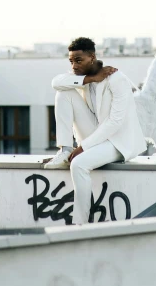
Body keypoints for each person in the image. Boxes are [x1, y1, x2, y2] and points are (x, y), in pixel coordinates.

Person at [44, 37, 147, 224]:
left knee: (78, 164)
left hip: (118, 141)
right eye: (71, 61)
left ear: (92, 57)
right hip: (96, 133)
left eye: (78, 60)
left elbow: (115, 122)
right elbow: (56, 82)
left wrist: (83, 147)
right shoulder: (82, 76)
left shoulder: (116, 79)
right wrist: (90, 79)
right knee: (63, 92)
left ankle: (81, 223)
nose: (74, 65)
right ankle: (65, 150)